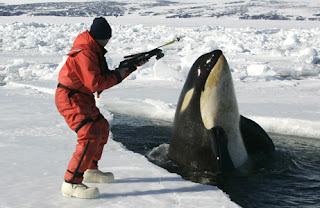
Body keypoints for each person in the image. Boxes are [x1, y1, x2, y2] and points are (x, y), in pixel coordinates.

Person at [55, 17, 148, 199]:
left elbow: (102, 75)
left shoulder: (93, 48)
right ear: (105, 37)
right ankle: (71, 182)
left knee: (101, 127)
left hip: (83, 98)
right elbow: (96, 83)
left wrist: (129, 67)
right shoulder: (86, 52)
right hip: (70, 98)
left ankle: (90, 168)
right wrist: (121, 74)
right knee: (89, 134)